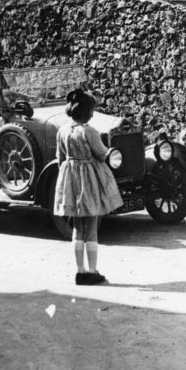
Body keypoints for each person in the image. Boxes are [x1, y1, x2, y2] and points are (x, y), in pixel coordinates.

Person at [53, 88, 123, 284]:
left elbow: (60, 159)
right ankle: (92, 271)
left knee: (78, 227)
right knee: (91, 226)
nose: (93, 114)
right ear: (86, 112)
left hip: (70, 179)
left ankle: (80, 271)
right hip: (88, 181)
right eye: (92, 110)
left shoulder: (62, 130)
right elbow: (102, 154)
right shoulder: (90, 132)